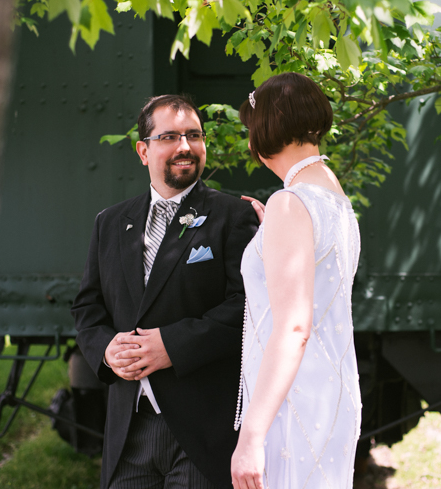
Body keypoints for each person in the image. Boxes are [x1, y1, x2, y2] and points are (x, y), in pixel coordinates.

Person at [71, 94, 259, 489]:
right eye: (170, 137)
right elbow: (88, 307)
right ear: (144, 150)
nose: (185, 147)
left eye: (194, 135)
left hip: (201, 432)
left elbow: (247, 308)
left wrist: (171, 346)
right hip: (127, 432)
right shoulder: (109, 222)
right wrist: (106, 351)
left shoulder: (233, 216)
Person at [231, 73, 362, 489]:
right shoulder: (335, 199)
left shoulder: (290, 203)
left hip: (292, 400)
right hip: (330, 393)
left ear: (267, 129)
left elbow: (294, 327)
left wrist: (251, 436)